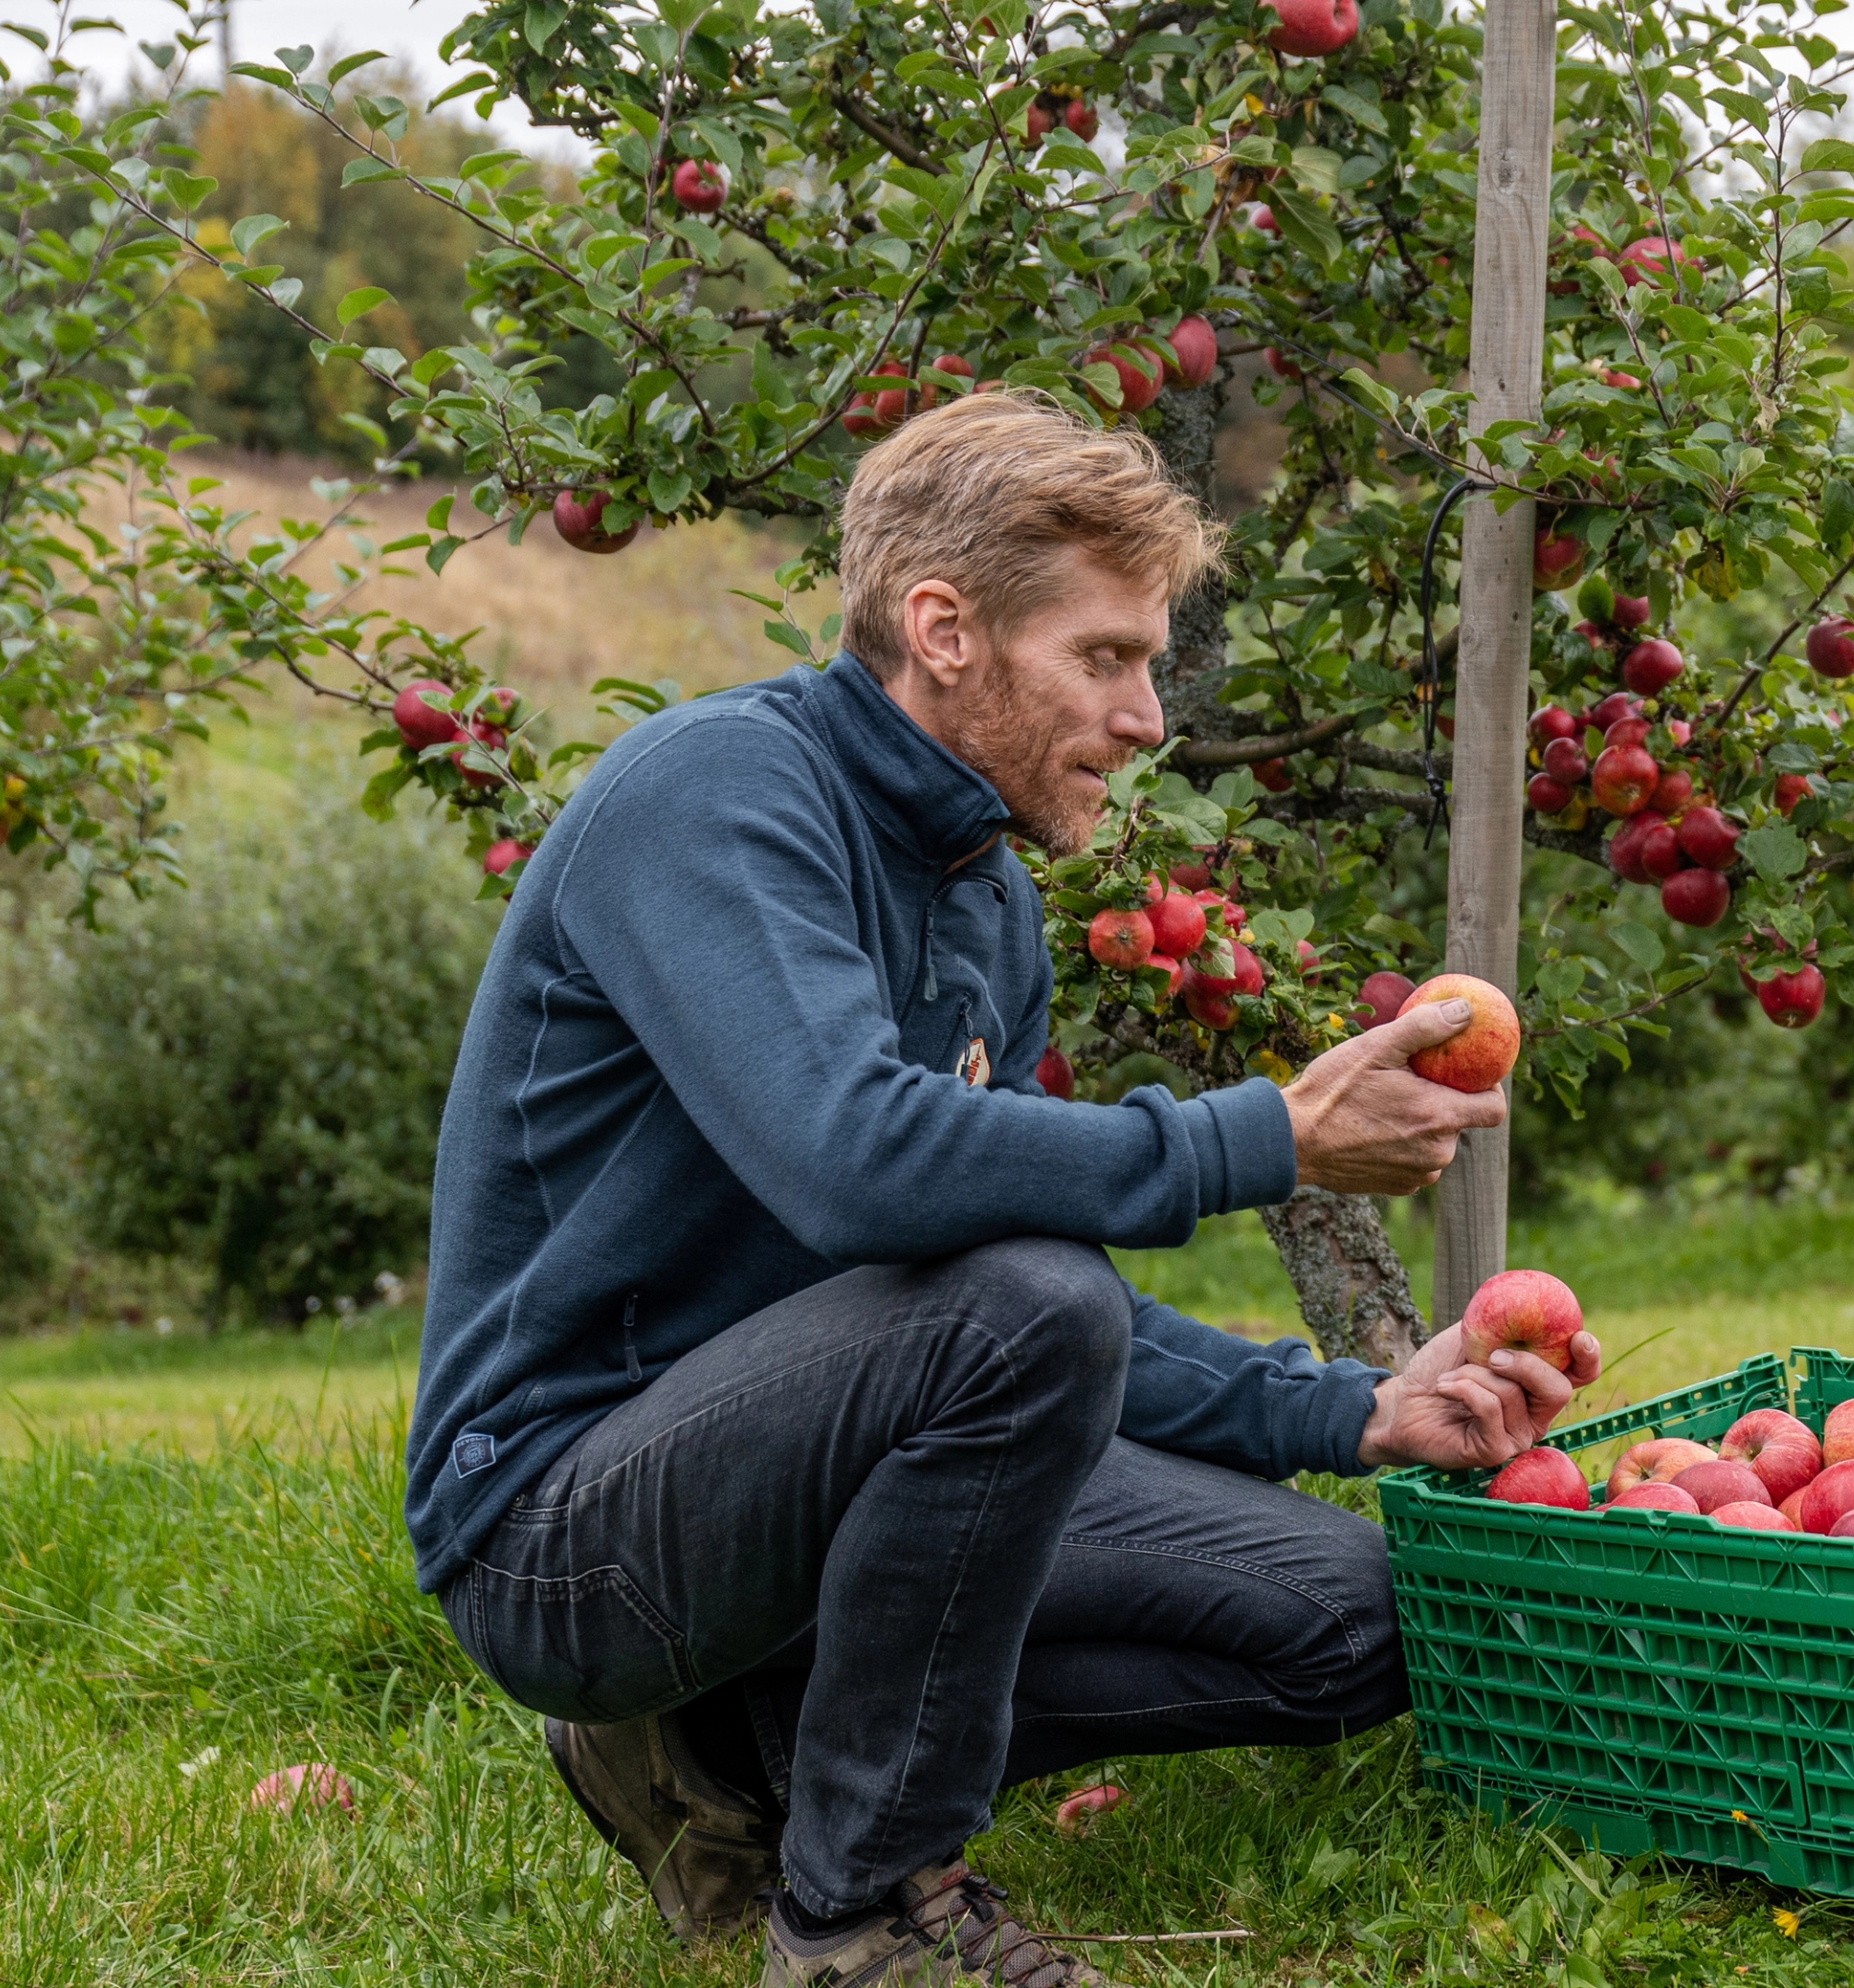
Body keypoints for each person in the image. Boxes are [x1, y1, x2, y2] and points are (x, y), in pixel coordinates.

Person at [403, 390, 1593, 1988]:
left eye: (1151, 663)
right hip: (568, 1531)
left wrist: (1352, 1413)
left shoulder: (988, 913)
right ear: (942, 628)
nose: (1149, 716)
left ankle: (734, 1758)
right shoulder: (714, 799)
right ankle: (858, 1913)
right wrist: (1269, 1138)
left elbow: (1037, 1288)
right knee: (1017, 1307)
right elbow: (858, 1164)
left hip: (827, 1461)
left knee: (1365, 1619)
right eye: (1105, 659)